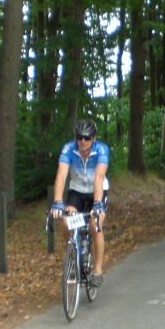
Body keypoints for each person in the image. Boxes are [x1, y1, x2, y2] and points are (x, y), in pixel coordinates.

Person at [51, 119, 110, 287]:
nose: (83, 141)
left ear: (94, 138)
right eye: (79, 137)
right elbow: (62, 175)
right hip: (77, 191)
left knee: (95, 224)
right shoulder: (69, 149)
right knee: (66, 221)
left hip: (97, 191)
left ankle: (97, 270)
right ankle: (73, 254)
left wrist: (97, 204)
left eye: (87, 138)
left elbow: (99, 177)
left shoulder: (101, 149)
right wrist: (57, 201)